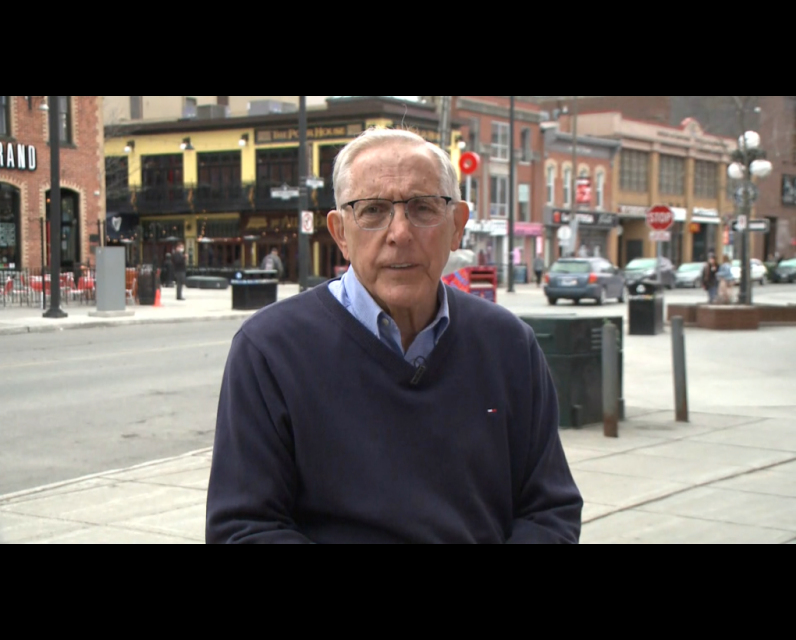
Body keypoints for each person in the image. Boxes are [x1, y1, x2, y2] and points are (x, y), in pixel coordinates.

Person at [206, 127, 583, 545]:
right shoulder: (269, 351)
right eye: (373, 210)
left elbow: (549, 510)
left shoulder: (509, 346)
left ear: (457, 225)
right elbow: (243, 529)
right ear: (340, 233)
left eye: (423, 208)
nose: (400, 232)